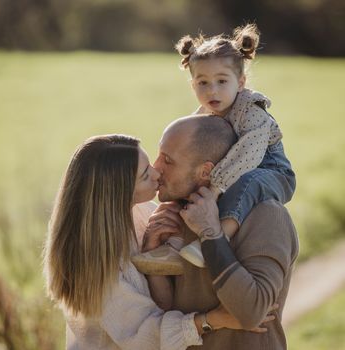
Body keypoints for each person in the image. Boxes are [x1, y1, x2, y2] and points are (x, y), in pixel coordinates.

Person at [43, 134, 274, 350]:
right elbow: (145, 336)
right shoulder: (94, 265)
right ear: (117, 193)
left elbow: (161, 304)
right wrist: (217, 319)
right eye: (145, 175)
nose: (157, 174)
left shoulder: (142, 214)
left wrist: (152, 253)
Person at [132, 23, 296, 271]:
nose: (212, 90)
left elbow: (248, 155)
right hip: (232, 170)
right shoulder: (204, 114)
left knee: (247, 183)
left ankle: (218, 237)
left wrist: (216, 187)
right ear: (192, 85)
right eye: (203, 83)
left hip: (270, 170)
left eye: (221, 81)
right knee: (187, 184)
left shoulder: (251, 109)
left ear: (240, 82)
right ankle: (171, 245)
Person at [142, 116, 299, 349]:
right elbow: (170, 311)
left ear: (206, 171)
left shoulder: (266, 215)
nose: (156, 168)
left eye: (168, 160)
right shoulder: (181, 214)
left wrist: (211, 233)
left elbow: (251, 312)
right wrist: (152, 256)